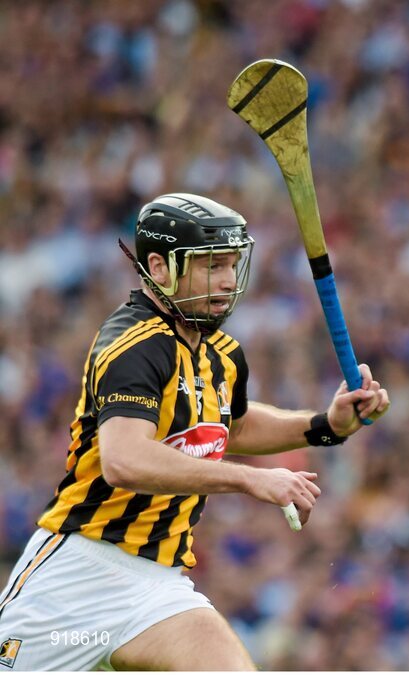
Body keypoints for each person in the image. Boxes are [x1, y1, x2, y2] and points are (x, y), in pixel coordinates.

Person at [0, 193, 389, 671]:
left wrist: (325, 426)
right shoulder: (132, 346)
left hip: (158, 586)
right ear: (159, 268)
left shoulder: (220, 351)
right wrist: (247, 479)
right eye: (211, 266)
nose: (228, 281)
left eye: (231, 265)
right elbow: (125, 460)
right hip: (77, 577)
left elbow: (233, 425)